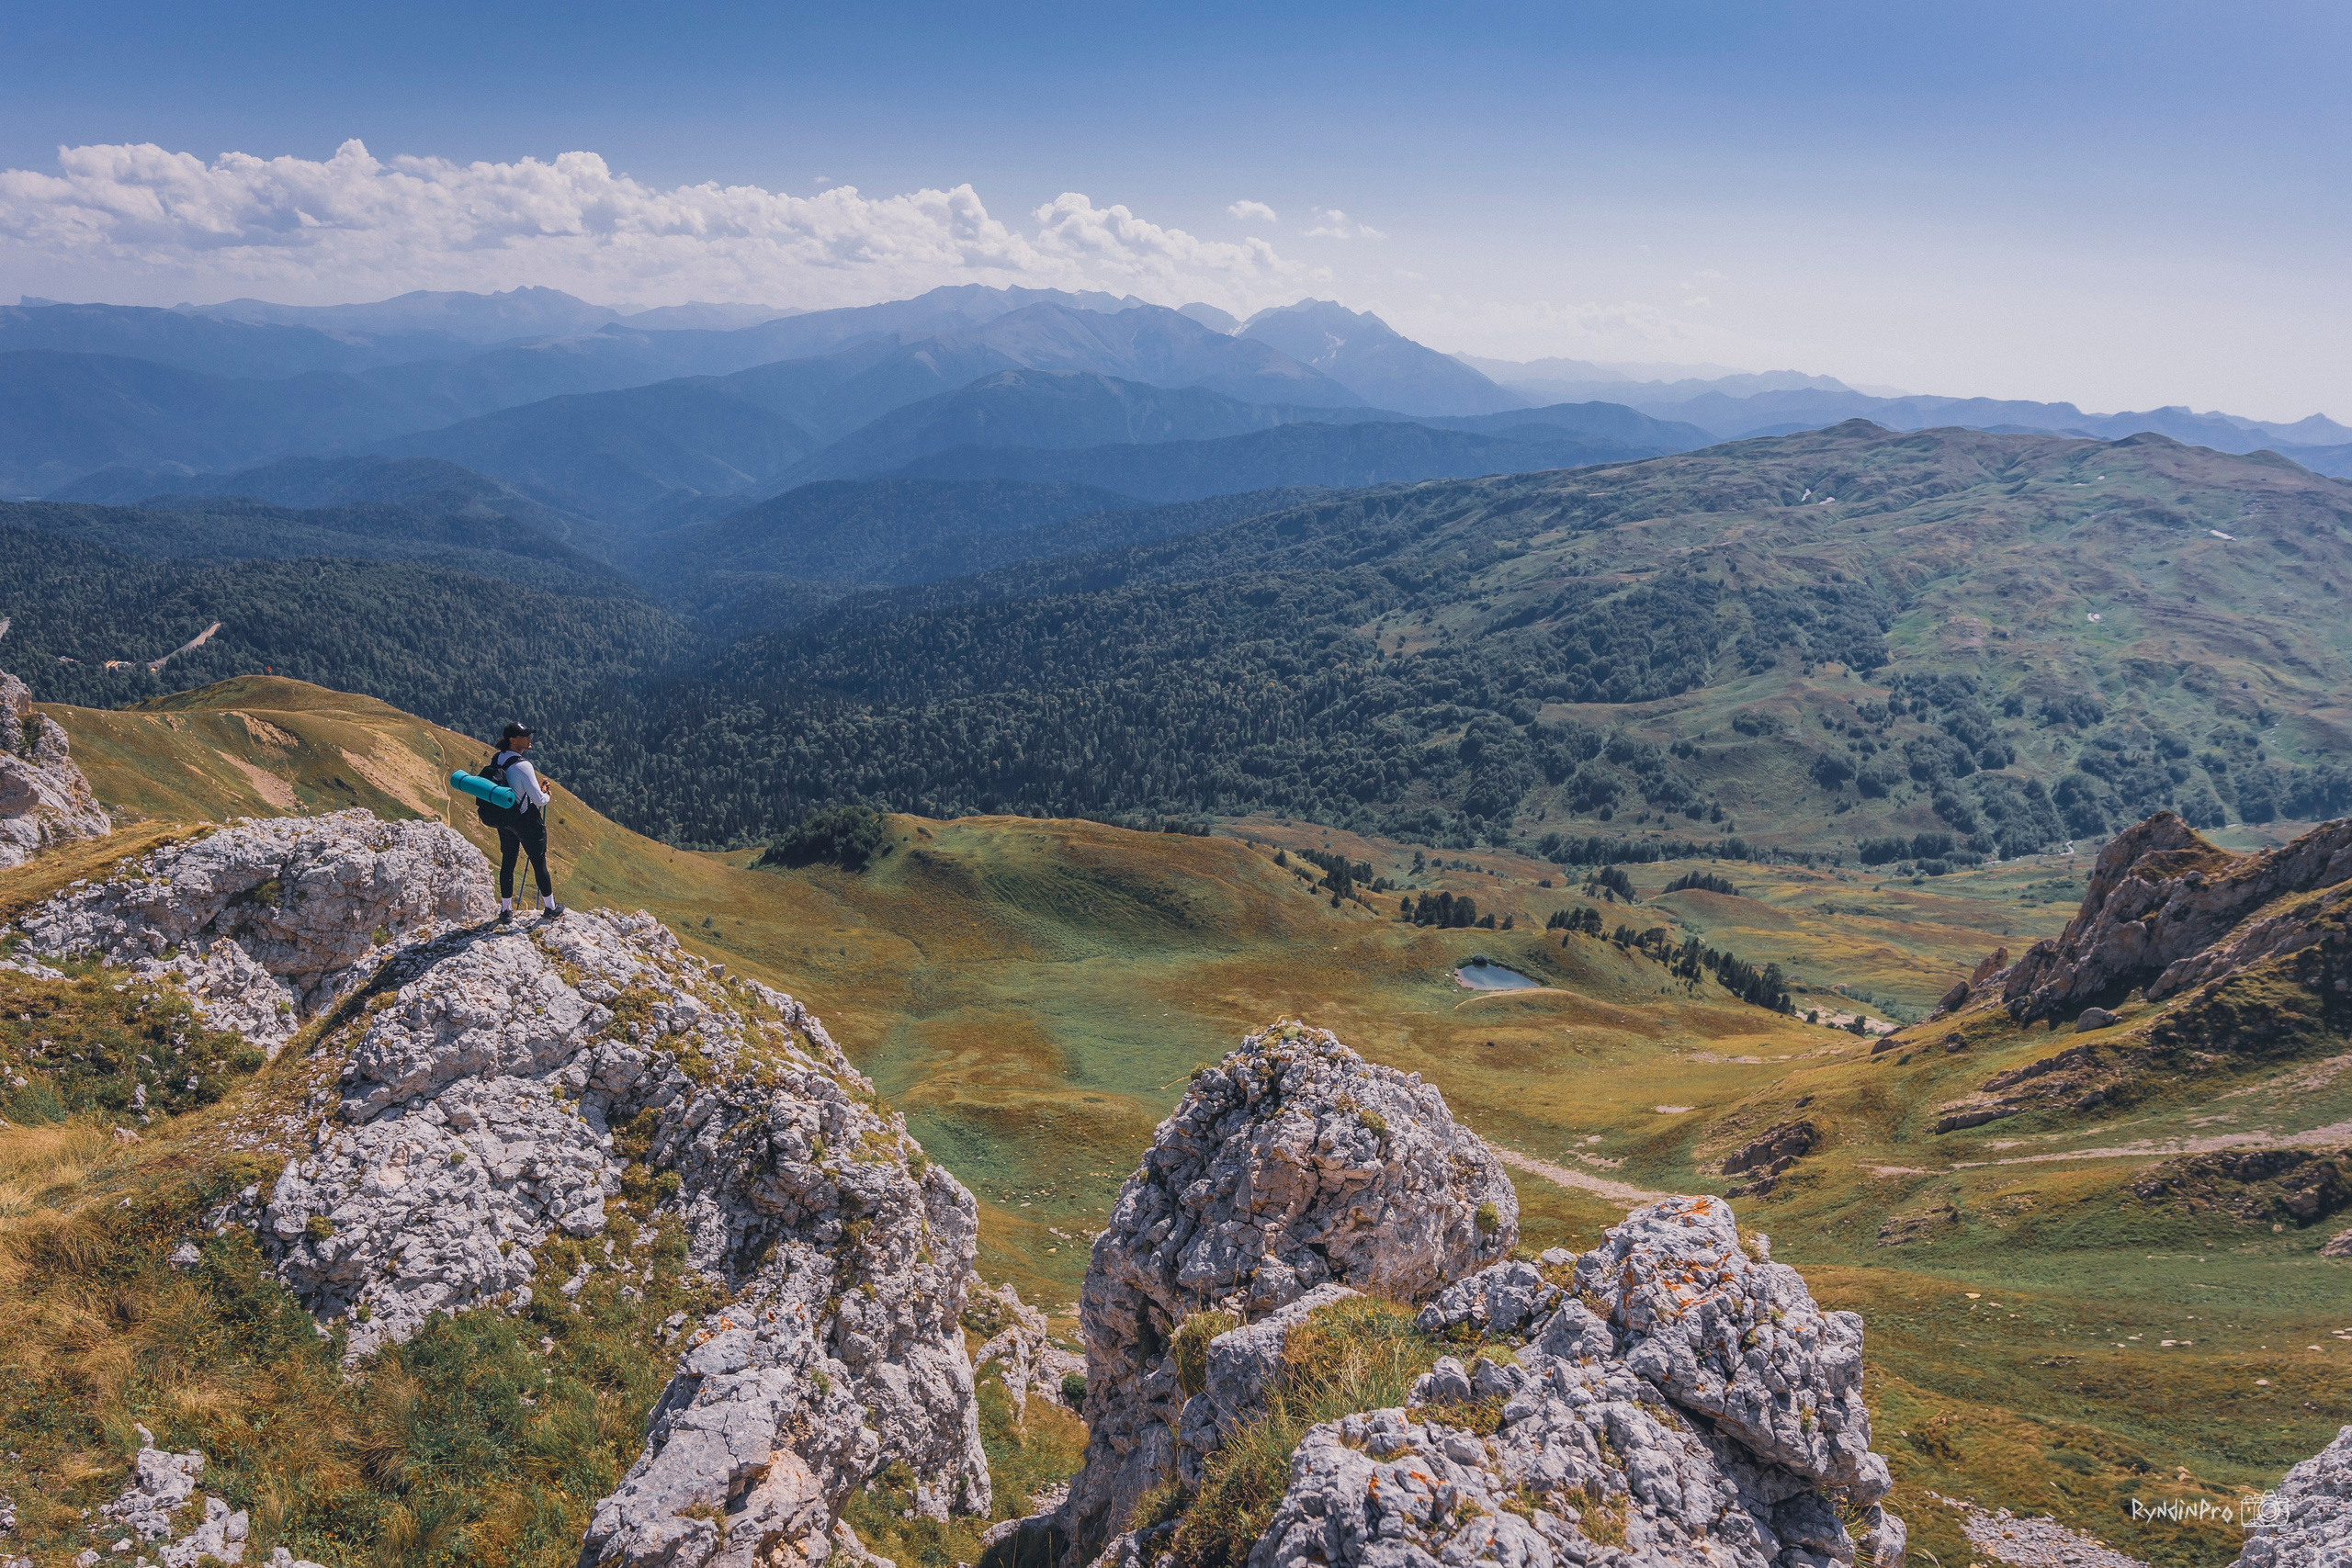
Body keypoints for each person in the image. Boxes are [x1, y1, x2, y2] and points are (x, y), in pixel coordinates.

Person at [480, 722, 563, 923]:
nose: (529, 738)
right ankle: (550, 907)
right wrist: (547, 794)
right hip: (526, 820)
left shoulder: (497, 758)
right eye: (524, 735)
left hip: (505, 818)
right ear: (512, 740)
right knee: (538, 861)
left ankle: (506, 911)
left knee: (508, 861)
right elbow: (538, 800)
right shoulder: (523, 765)